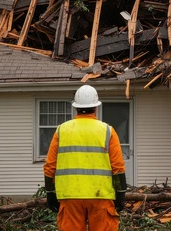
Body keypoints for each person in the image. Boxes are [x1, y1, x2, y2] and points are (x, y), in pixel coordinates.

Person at [43, 85, 127, 231]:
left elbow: (50, 166)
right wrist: (121, 194)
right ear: (96, 107)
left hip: (70, 197)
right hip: (101, 196)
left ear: (75, 107)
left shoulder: (62, 131)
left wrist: (50, 193)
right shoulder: (107, 131)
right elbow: (118, 168)